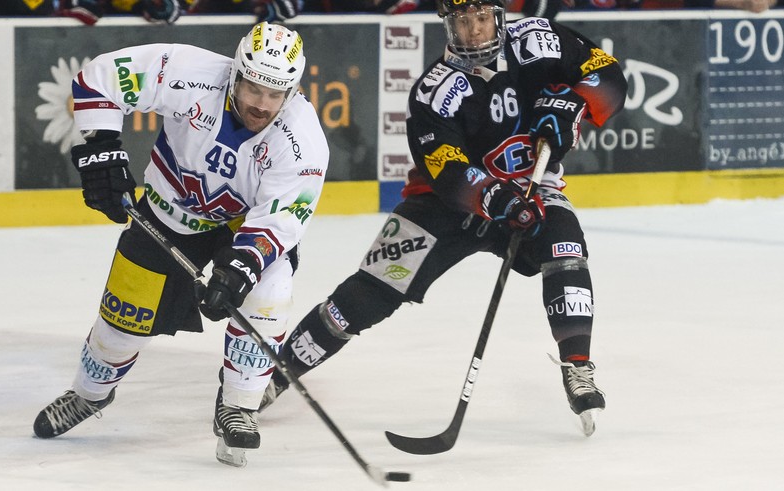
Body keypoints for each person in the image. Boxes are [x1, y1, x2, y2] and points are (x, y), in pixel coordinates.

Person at [259, 0, 628, 435]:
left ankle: (578, 368)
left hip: (531, 186)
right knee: (367, 294)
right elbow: (448, 170)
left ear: (500, 15)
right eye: (462, 21)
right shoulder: (434, 89)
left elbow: (610, 77)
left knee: (566, 248)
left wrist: (573, 100)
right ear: (448, 25)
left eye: (482, 18)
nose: (474, 31)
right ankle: (273, 373)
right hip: (442, 205)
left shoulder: (540, 40)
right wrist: (495, 197)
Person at [32, 22, 329, 468]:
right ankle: (89, 396)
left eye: (275, 94)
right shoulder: (190, 72)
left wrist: (240, 268)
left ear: (292, 89)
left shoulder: (303, 140)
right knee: (119, 328)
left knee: (269, 289)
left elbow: (282, 219)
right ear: (235, 73)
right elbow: (99, 77)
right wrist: (102, 152)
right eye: (252, 87)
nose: (261, 104)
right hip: (166, 212)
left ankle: (239, 405)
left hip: (241, 226)